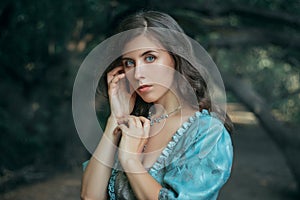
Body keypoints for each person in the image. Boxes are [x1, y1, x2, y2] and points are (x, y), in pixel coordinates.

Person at [80, 11, 234, 200]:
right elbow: (90, 196)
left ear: (175, 57)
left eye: (150, 58)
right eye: (129, 63)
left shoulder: (207, 133)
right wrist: (115, 119)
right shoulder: (133, 124)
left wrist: (130, 160)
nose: (138, 74)